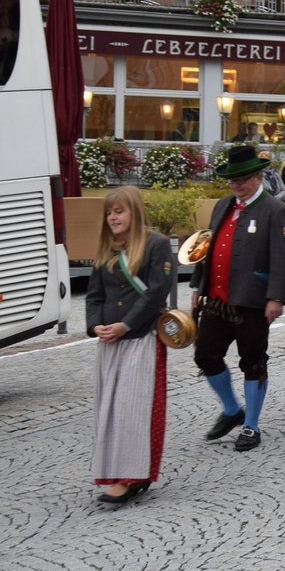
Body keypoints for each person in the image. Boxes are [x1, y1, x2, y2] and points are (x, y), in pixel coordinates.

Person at [190, 145, 285, 452]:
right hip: (217, 299)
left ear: (258, 177)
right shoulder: (223, 205)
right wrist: (197, 286)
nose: (236, 185)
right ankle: (232, 409)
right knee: (205, 355)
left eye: (242, 179)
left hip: (253, 299)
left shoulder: (275, 210)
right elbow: (206, 247)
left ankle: (251, 425)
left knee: (253, 361)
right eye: (232, 180)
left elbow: (282, 258)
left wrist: (276, 297)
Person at [86, 186, 173, 505]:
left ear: (134, 212)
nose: (113, 218)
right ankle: (116, 472)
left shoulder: (156, 244)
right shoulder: (107, 249)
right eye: (109, 212)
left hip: (141, 338)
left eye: (119, 211)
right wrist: (95, 325)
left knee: (134, 408)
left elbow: (156, 292)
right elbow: (95, 295)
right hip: (110, 341)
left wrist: (126, 324)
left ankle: (131, 477)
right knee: (110, 409)